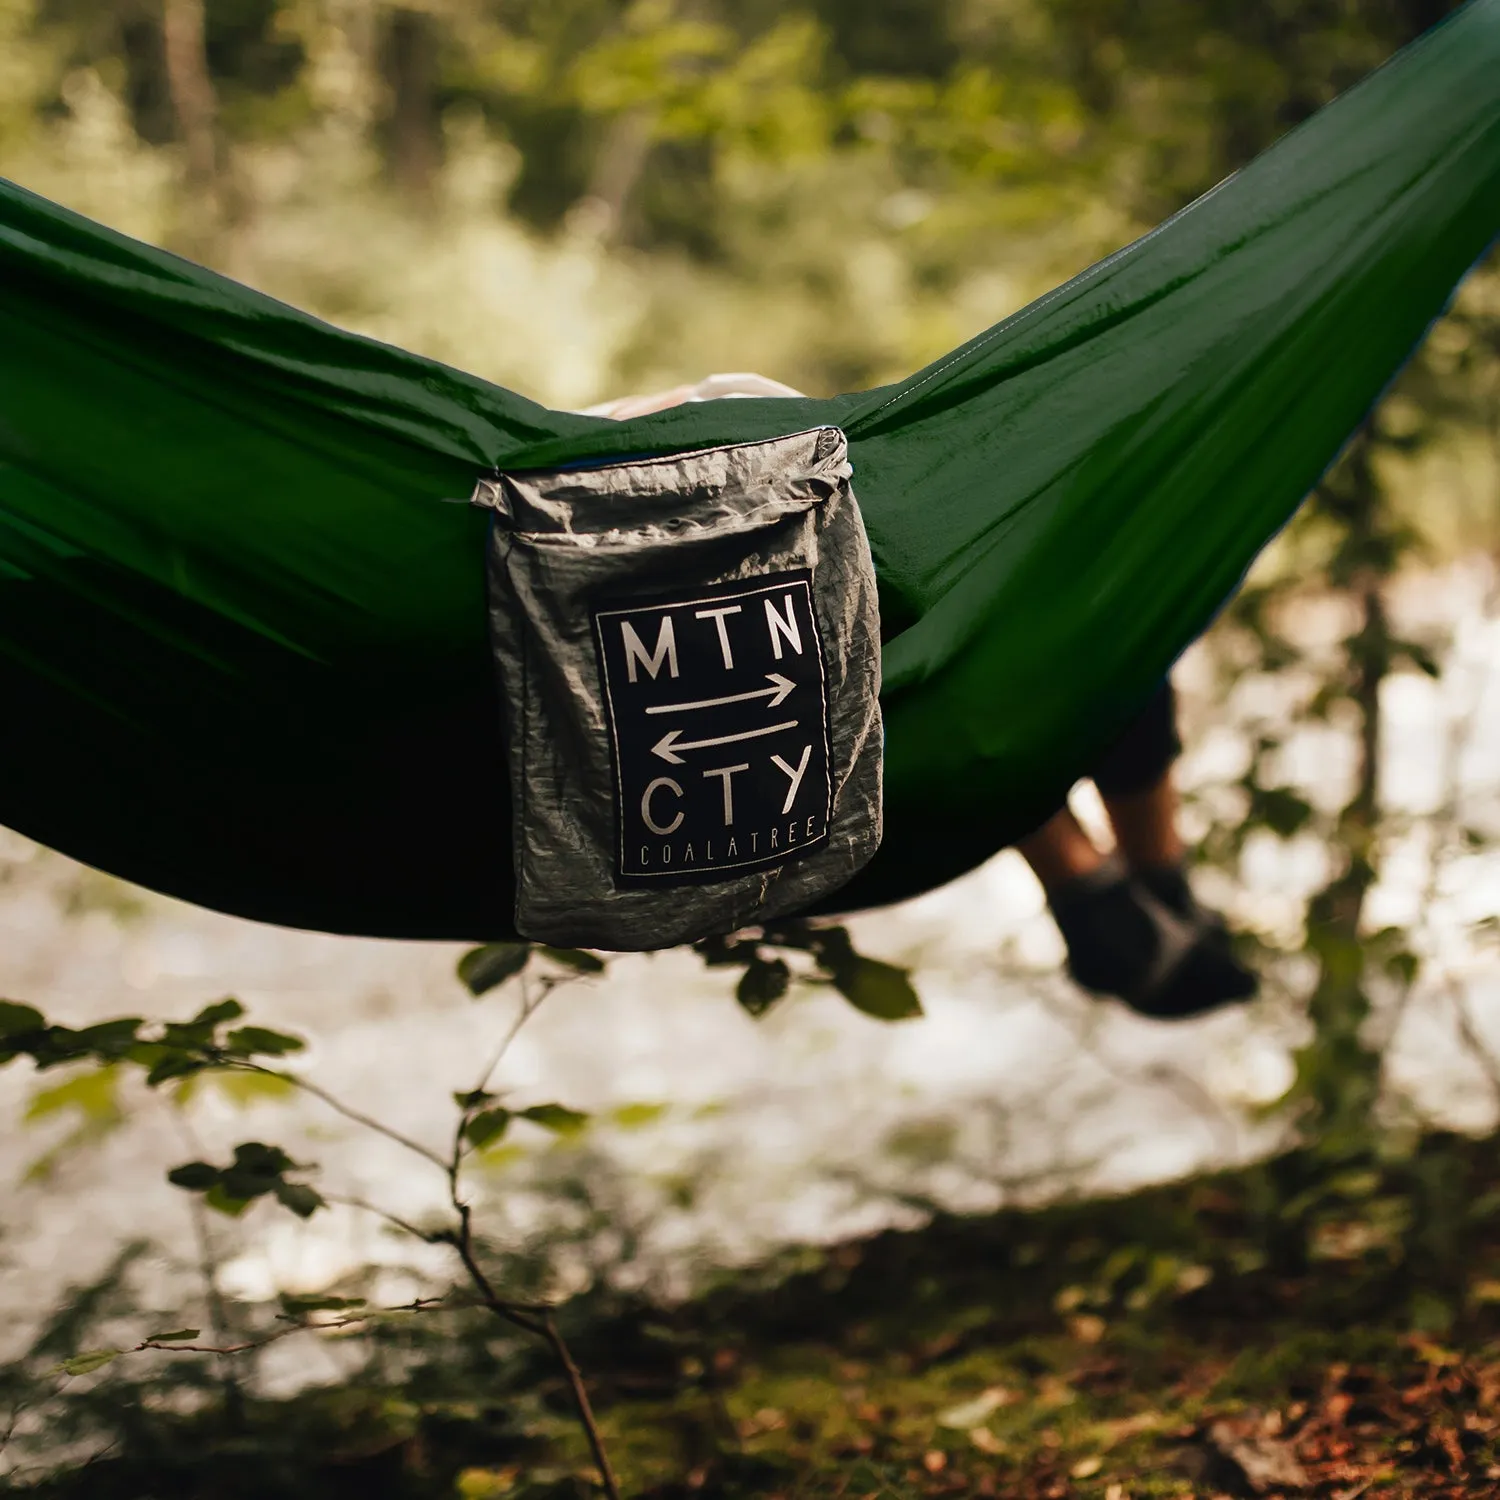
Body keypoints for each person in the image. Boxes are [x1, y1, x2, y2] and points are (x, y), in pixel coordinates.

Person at [585, 373, 1258, 1019]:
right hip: (792, 611)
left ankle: (1100, 884)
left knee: (964, 643)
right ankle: (1136, 879)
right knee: (1078, 629)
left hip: (781, 618)